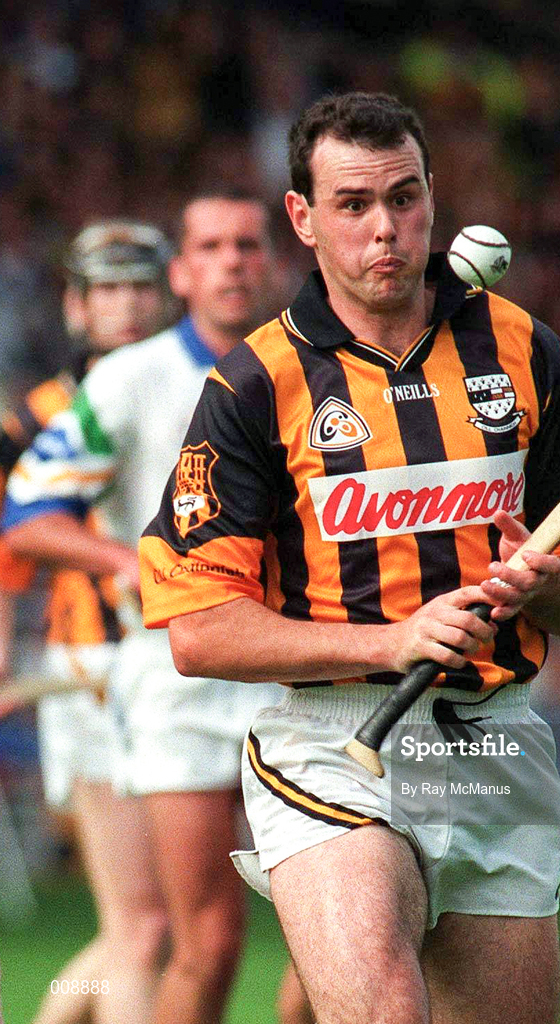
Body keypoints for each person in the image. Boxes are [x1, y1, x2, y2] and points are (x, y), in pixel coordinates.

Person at [139, 93, 560, 1024]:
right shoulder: (256, 382)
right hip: (334, 743)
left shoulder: (526, 349)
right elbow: (199, 632)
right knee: (382, 1009)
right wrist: (391, 641)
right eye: (354, 204)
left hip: (497, 745)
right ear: (303, 218)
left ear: (431, 198)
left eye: (405, 198)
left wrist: (548, 582)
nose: (387, 229)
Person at [3, 192, 311, 1024]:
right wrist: (136, 564)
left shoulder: (314, 365)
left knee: (327, 927)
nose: (234, 262)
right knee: (164, 937)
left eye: (248, 245)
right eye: (211, 247)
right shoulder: (101, 389)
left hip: (293, 669)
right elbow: (21, 523)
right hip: (136, 671)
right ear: (187, 271)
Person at [0, 218, 173, 1024]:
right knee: (145, 930)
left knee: (149, 933)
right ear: (75, 305)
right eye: (107, 288)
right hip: (91, 677)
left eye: (140, 285)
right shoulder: (35, 418)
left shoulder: (201, 394)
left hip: (183, 671)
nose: (126, 305)